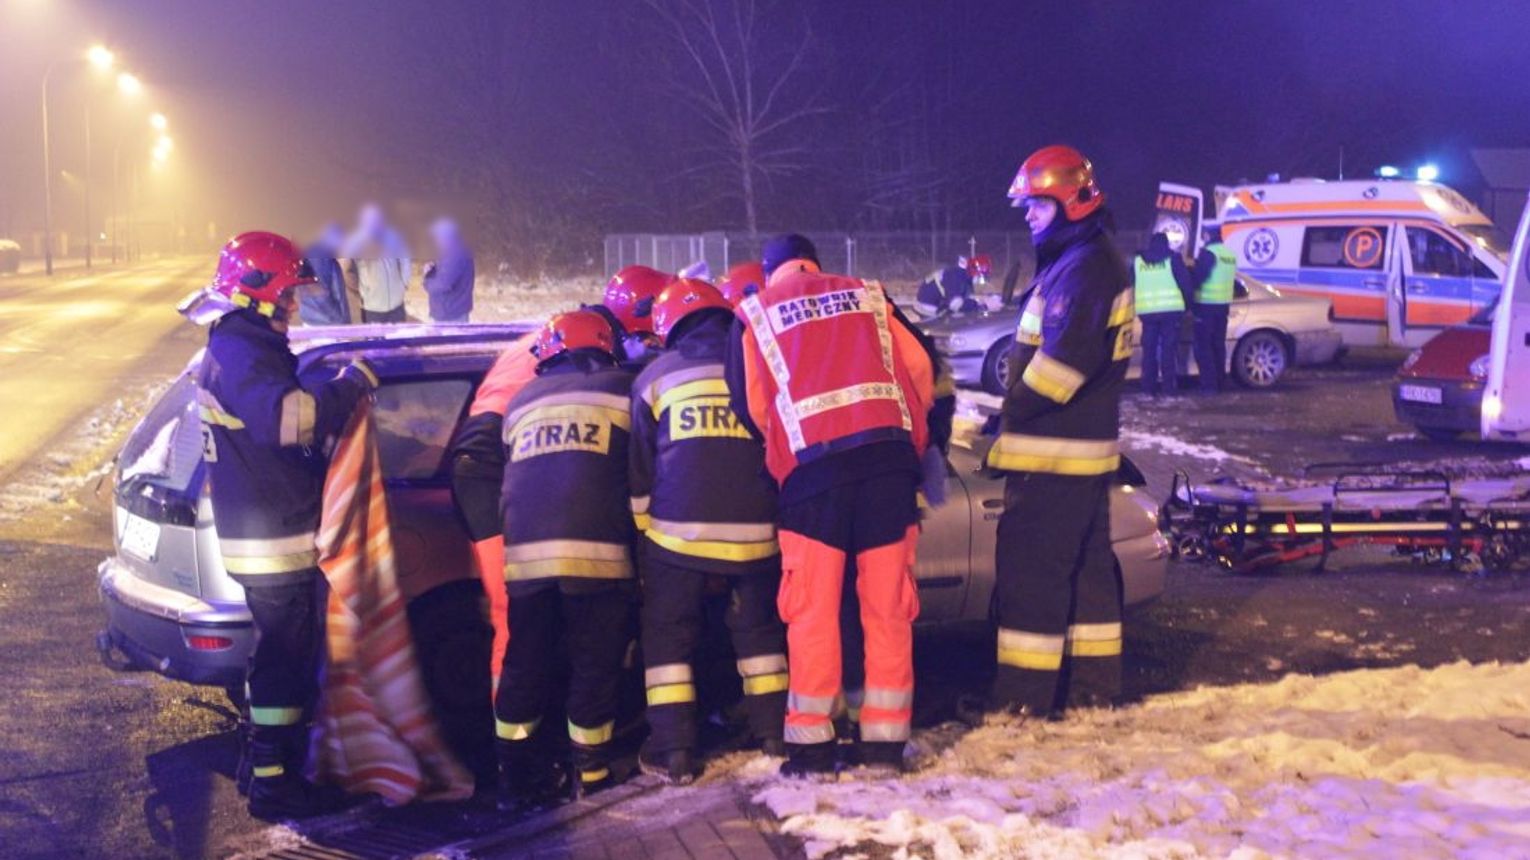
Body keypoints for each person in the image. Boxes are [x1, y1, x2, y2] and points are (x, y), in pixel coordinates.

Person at [726, 233, 952, 777]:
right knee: (888, 604)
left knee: (812, 608)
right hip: (889, 466)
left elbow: (752, 405)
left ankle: (812, 749)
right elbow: (922, 370)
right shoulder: (869, 295)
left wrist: (788, 449)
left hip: (813, 474)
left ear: (771, 271)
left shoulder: (755, 313)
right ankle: (884, 745)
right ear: (818, 264)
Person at [182, 231, 377, 819]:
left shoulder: (239, 344)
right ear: (258, 292)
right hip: (275, 540)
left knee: (275, 662)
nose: (294, 305)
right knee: (286, 668)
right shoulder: (243, 352)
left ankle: (260, 770)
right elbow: (291, 420)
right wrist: (347, 388)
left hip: (266, 534)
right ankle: (276, 787)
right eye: (289, 294)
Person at [446, 269, 669, 705]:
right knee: (516, 612)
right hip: (488, 466)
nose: (652, 343)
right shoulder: (594, 354)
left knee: (534, 612)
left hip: (487, 459)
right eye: (650, 334)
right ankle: (508, 740)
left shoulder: (561, 333)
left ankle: (524, 733)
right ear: (635, 318)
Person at [980, 145, 1133, 719]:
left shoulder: (1085, 267)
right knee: (1088, 580)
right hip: (1079, 456)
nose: (1027, 216)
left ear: (1070, 201)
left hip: (1052, 458)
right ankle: (1095, 694)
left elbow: (1060, 371)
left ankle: (1022, 703)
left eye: (1036, 206)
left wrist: (1007, 415)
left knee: (1032, 581)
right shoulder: (1087, 259)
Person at [630, 279, 785, 784]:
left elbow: (641, 471)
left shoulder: (655, 376)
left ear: (668, 326)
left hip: (679, 540)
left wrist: (643, 535)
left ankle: (674, 751)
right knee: (760, 637)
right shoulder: (764, 366)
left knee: (668, 641)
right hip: (759, 536)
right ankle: (774, 735)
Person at [493, 310, 638, 809]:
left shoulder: (519, 401)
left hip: (525, 561)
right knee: (594, 664)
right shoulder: (624, 389)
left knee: (524, 664)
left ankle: (516, 776)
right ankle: (592, 772)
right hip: (598, 559)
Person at [1132, 231, 1194, 396]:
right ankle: (1169, 389)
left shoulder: (1138, 261)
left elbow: (1131, 285)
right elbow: (1186, 284)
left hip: (1148, 313)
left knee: (1149, 352)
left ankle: (1147, 389)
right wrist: (1187, 306)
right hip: (1170, 313)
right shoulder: (1173, 259)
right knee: (1168, 351)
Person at [340, 203, 411, 323]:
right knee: (375, 340)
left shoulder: (393, 236)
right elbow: (346, 271)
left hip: (397, 302)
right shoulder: (354, 243)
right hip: (373, 307)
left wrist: (404, 283)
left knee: (398, 339)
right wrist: (362, 291)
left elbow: (405, 259)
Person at [1191, 227, 1237, 393]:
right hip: (1223, 305)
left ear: (1208, 235)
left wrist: (1190, 280)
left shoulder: (1208, 253)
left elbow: (1199, 277)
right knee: (1218, 345)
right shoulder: (1229, 255)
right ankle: (1220, 382)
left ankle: (1208, 386)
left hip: (1206, 305)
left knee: (1203, 347)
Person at [423, 217, 475, 324]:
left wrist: (427, 281)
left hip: (450, 315)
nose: (436, 240)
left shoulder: (454, 255)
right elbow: (447, 275)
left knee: (449, 340)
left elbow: (443, 284)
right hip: (452, 310)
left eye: (438, 236)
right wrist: (433, 270)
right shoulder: (453, 251)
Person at [299, 223, 351, 325]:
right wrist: (338, 319)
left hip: (320, 321)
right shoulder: (320, 257)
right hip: (324, 324)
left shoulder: (321, 255)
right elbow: (319, 294)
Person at [914, 261, 981, 317]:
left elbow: (962, 299)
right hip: (928, 306)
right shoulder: (957, 278)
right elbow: (955, 304)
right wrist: (979, 306)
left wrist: (975, 304)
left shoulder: (962, 276)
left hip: (932, 302)